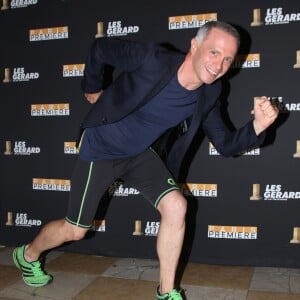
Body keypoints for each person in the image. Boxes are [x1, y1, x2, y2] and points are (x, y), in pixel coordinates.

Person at [13, 21, 278, 300]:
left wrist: (258, 126)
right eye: (214, 52)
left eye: (227, 59)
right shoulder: (154, 60)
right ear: (194, 46)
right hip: (101, 147)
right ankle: (28, 254)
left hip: (139, 153)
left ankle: (166, 292)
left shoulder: (210, 92)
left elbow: (225, 144)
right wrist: (91, 86)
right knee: (76, 230)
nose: (219, 65)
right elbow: (100, 48)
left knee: (177, 206)